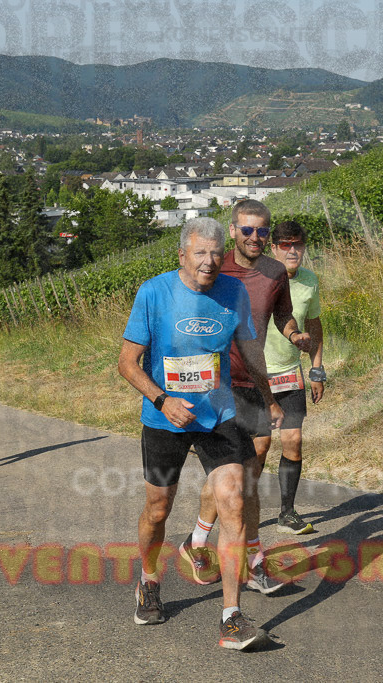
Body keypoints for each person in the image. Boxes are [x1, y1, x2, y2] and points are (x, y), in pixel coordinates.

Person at [118, 217, 276, 650]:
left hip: (218, 414)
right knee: (157, 510)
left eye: (215, 253)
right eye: (200, 253)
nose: (208, 262)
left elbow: (249, 349)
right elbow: (127, 363)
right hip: (165, 418)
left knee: (233, 501)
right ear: (182, 254)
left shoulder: (233, 291)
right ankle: (149, 581)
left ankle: (231, 616)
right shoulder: (153, 292)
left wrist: (270, 397)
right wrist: (162, 399)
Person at [180, 199, 308, 594]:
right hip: (214, 386)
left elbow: (282, 314)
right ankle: (234, 554)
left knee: (246, 476)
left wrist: (293, 334)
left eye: (262, 231)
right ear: (232, 231)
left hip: (254, 382)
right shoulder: (214, 268)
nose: (255, 237)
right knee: (231, 476)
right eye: (247, 230)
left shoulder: (274, 272)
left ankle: (201, 543)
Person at [257, 220, 326, 534]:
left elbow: (314, 326)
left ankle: (287, 512)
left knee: (293, 443)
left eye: (297, 244)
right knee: (258, 449)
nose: (293, 250)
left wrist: (317, 368)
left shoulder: (309, 281)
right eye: (285, 245)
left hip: (289, 374)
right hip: (257, 376)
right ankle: (243, 508)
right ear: (273, 248)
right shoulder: (258, 278)